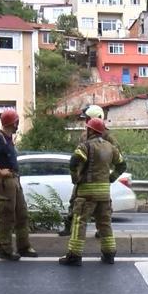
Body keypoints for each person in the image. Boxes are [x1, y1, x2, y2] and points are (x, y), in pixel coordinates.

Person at [59, 117, 126, 266]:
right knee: (104, 223)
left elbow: (74, 161)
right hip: (104, 193)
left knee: (79, 223)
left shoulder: (86, 146)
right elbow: (122, 165)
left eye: (87, 128)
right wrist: (110, 178)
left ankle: (74, 256)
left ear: (90, 130)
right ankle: (109, 255)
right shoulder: (110, 147)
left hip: (87, 193)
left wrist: (75, 178)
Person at [0, 109, 38, 261]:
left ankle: (24, 246)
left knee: (22, 214)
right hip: (5, 181)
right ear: (12, 123)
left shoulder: (8, 138)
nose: (17, 124)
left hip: (14, 179)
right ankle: (5, 249)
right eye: (16, 121)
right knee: (7, 216)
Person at [58, 104, 118, 237]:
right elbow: (78, 156)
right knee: (75, 201)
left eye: (88, 119)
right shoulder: (84, 135)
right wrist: (76, 175)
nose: (85, 123)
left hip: (99, 178)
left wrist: (109, 176)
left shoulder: (108, 136)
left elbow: (116, 157)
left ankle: (100, 230)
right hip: (83, 177)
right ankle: (69, 226)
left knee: (103, 207)